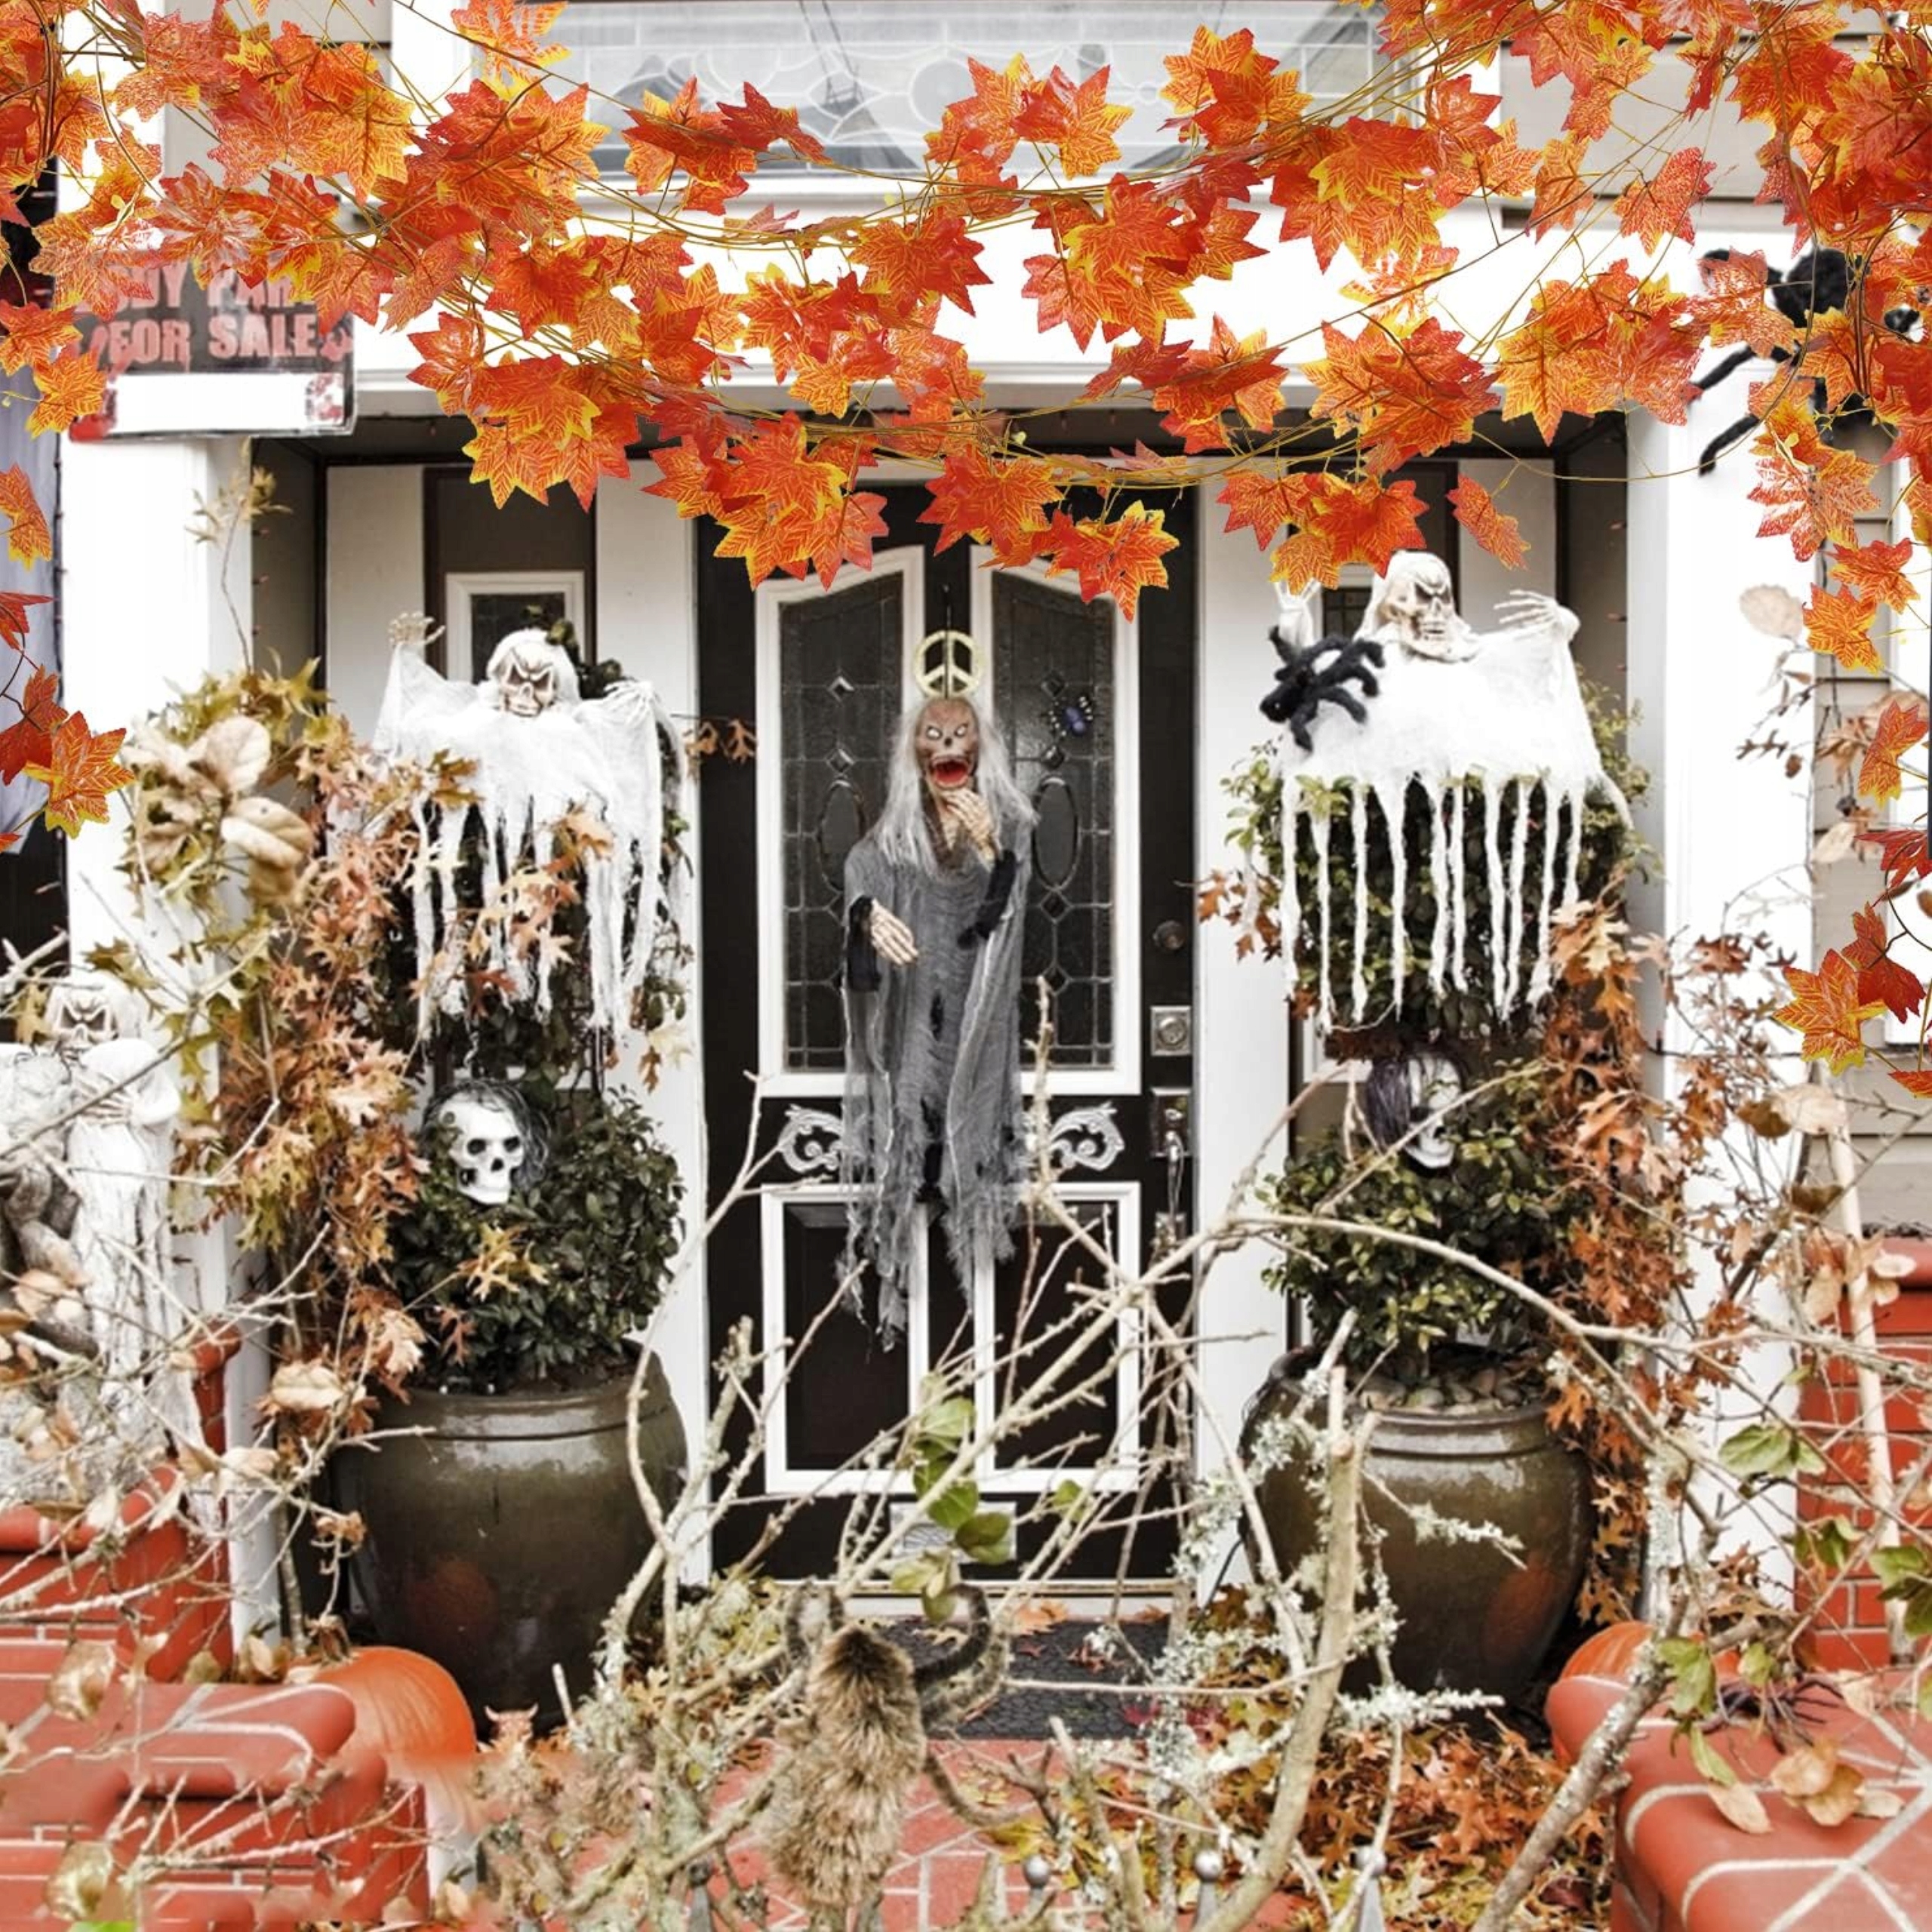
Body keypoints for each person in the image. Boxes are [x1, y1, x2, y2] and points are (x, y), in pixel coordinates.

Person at [840, 689, 1033, 1337]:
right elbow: (862, 869)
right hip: (917, 1013)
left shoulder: (1010, 823)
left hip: (979, 1020)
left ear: (982, 748)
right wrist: (866, 914)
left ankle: (984, 1319)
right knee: (911, 1117)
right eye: (932, 733)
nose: (948, 745)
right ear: (913, 751)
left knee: (970, 1113)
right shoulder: (897, 835)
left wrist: (990, 849)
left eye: (960, 732)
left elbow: (1008, 906)